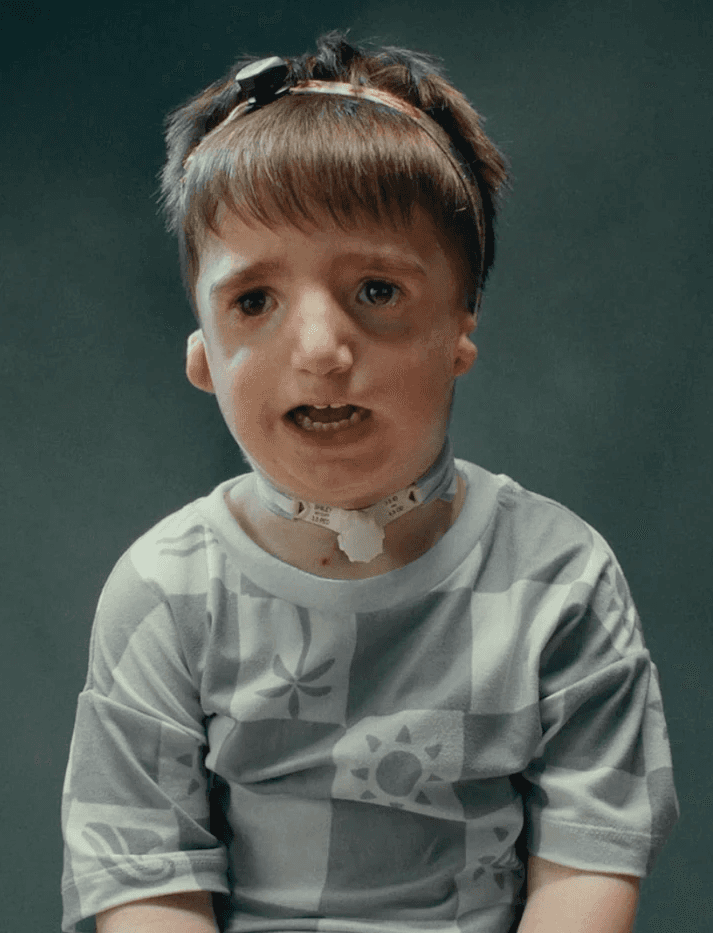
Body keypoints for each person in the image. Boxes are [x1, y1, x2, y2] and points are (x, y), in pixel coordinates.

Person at [60, 29, 678, 933]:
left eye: (377, 292)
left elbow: (586, 866)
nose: (318, 350)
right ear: (204, 354)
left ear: (459, 329)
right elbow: (145, 881)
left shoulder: (559, 578)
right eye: (254, 301)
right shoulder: (164, 593)